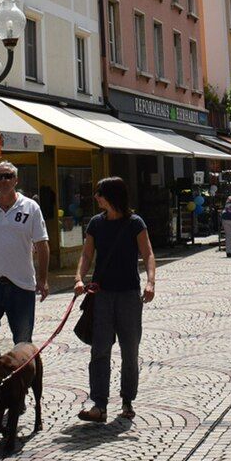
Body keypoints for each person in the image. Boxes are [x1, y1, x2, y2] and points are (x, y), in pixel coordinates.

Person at [75, 176, 156, 423]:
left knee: (129, 350)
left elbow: (148, 254)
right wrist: (79, 278)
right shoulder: (96, 224)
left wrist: (151, 282)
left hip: (129, 295)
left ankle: (127, 400)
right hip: (101, 296)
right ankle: (99, 405)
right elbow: (87, 255)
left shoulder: (135, 223)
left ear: (111, 195)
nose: (96, 197)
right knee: (100, 350)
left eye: (99, 192)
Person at [0, 161, 50, 366]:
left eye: (8, 176)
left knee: (23, 344)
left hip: (21, 284)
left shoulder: (31, 207)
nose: (3, 180)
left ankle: (19, 384)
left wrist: (43, 279)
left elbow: (42, 244)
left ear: (16, 180)